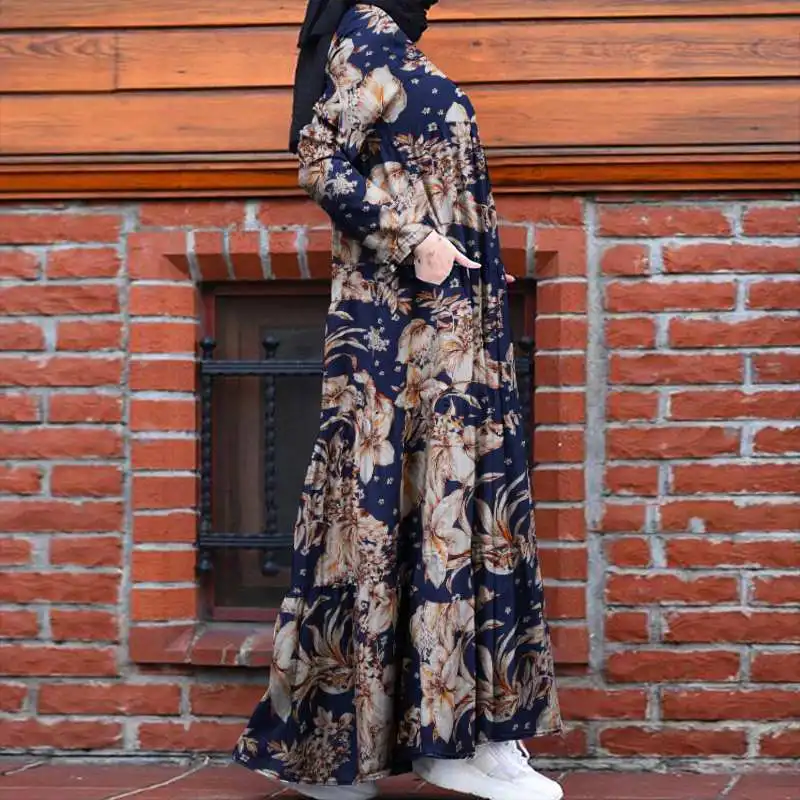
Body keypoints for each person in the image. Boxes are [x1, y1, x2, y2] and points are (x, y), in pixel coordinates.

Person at [233, 2, 563, 798]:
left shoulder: (391, 43)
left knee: (447, 507)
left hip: (449, 329)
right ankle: (438, 745)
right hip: (405, 330)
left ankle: (436, 741)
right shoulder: (369, 38)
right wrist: (416, 240)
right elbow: (321, 159)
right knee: (415, 506)